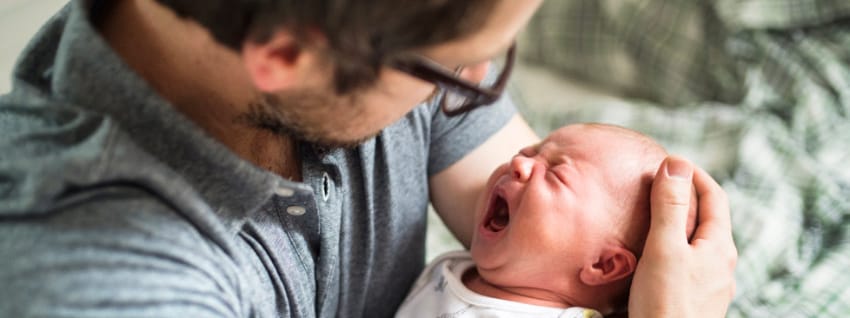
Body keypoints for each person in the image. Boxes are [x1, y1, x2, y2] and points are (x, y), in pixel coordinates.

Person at [0, 0, 736, 317]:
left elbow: (571, 242)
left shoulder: (369, 42)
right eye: (457, 66)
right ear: (286, 58)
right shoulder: (101, 284)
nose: (478, 88)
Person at [396, 124, 698, 317]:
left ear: (604, 265)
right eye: (528, 152)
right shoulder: (453, 269)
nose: (519, 163)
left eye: (555, 174)